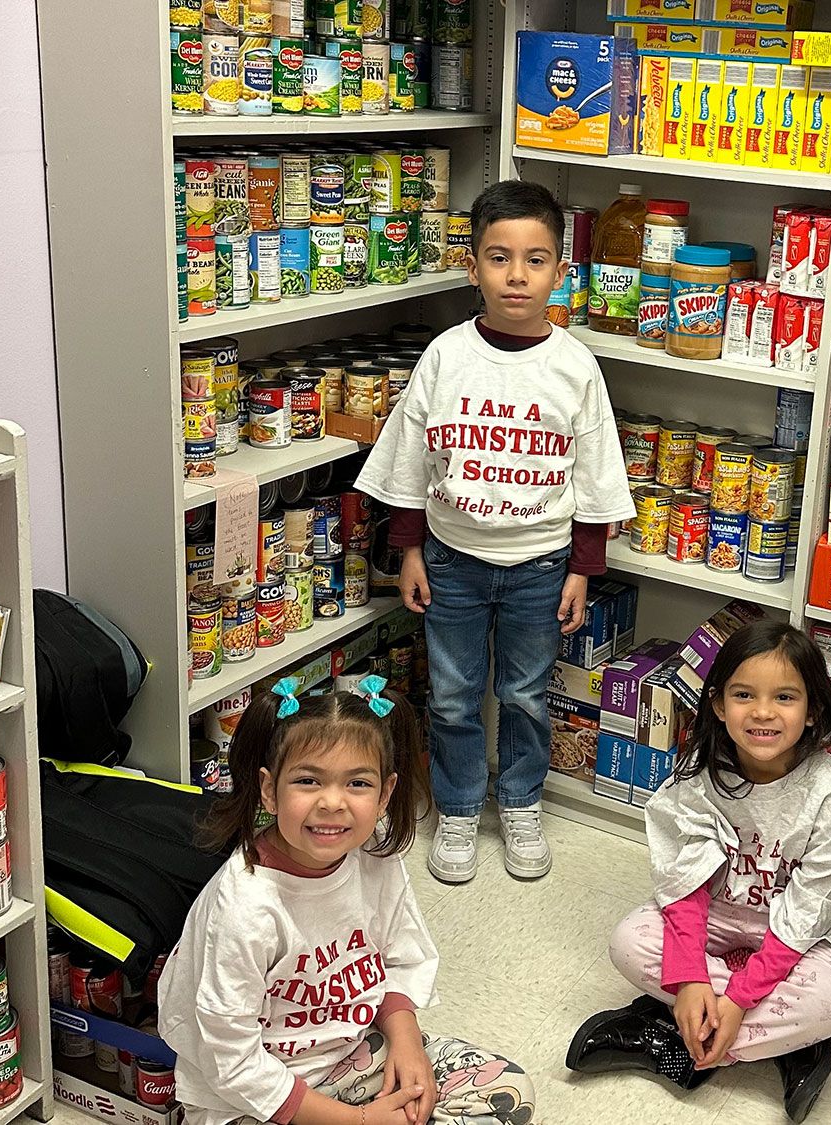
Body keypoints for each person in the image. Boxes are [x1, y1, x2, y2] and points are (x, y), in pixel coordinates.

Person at [355, 179, 633, 886]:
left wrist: (582, 568)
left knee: (525, 694)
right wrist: (410, 549)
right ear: (472, 266)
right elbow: (410, 459)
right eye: (499, 257)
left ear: (560, 273)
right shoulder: (446, 356)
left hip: (540, 565)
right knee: (451, 693)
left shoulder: (574, 366)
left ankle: (519, 800)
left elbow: (597, 477)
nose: (517, 275)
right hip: (451, 559)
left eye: (535, 259)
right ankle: (455, 805)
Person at [157, 676, 537, 1125]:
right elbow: (230, 1060)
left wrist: (408, 1044)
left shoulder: (375, 860)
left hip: (350, 1056)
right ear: (268, 790)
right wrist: (357, 1122)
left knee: (510, 1090)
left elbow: (401, 958)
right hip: (251, 1095)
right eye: (307, 781)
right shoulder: (245, 905)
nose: (332, 803)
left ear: (386, 794)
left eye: (357, 783)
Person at [567, 620, 831, 1124]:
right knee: (628, 940)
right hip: (717, 920)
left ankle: (674, 1036)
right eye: (745, 695)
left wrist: (740, 998)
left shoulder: (829, 794)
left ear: (813, 712)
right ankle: (768, 1042)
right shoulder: (699, 777)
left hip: (794, 933)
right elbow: (684, 888)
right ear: (720, 706)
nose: (763, 712)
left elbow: (810, 908)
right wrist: (691, 977)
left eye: (785, 698)